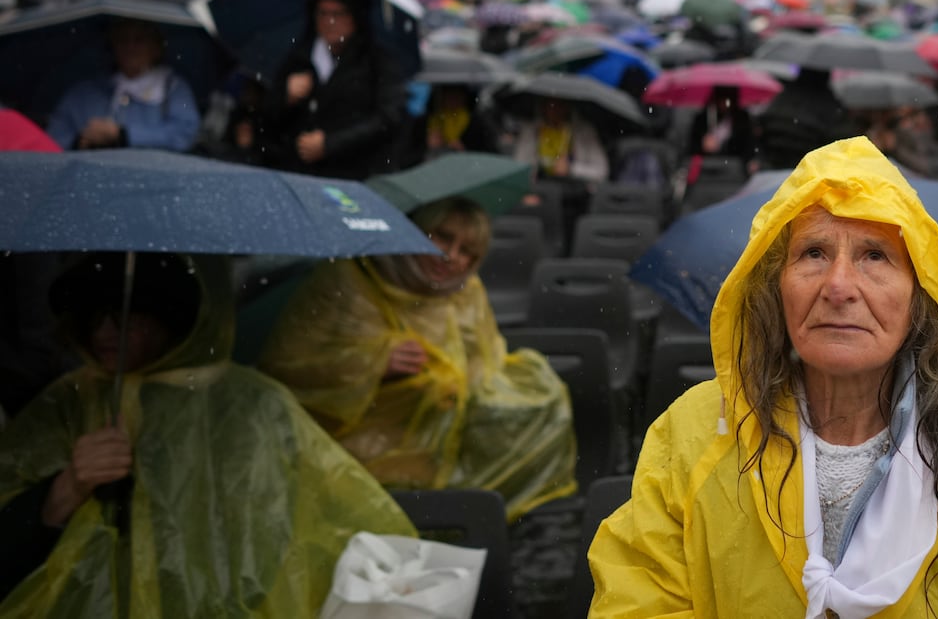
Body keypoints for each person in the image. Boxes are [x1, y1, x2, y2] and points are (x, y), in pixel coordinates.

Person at [588, 137, 938, 617]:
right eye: (813, 254)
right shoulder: (695, 431)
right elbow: (640, 599)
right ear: (775, 289)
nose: (839, 286)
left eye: (875, 255)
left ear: (920, 295)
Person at [0, 252, 414, 615]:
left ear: (176, 317)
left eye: (130, 315)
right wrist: (68, 488)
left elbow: (304, 528)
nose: (108, 331)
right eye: (95, 316)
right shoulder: (69, 401)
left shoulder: (251, 403)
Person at [258, 196, 578, 521]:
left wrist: (460, 386)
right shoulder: (347, 280)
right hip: (356, 436)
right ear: (414, 229)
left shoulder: (464, 289)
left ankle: (474, 521)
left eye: (467, 251)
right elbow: (285, 368)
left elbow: (484, 356)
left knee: (543, 397)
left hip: (440, 429)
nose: (450, 256)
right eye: (441, 236)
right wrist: (373, 363)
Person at [260, 0, 409, 180]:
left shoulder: (377, 62)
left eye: (338, 14)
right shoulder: (299, 59)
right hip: (303, 175)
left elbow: (388, 118)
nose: (329, 21)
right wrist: (285, 97)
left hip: (358, 174)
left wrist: (330, 144)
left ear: (355, 17)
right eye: (323, 13)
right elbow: (268, 120)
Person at [45, 18, 200, 153]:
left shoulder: (173, 88)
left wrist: (122, 135)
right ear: (112, 46)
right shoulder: (83, 92)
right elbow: (54, 138)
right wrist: (80, 141)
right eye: (122, 39)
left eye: (139, 39)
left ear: (156, 48)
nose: (130, 47)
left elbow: (185, 134)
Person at [756, 66, 855, 169]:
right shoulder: (828, 104)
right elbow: (842, 141)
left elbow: (764, 130)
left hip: (772, 168)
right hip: (811, 171)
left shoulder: (784, 98)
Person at [688, 84, 757, 171]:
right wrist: (702, 145)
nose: (725, 103)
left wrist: (750, 161)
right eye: (722, 98)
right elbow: (691, 148)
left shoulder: (742, 119)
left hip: (735, 168)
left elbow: (748, 145)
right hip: (707, 168)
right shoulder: (703, 118)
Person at [422, 84, 498, 155]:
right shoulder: (434, 119)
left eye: (457, 96)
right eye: (450, 96)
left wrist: (464, 147)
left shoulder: (475, 121)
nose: (453, 100)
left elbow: (484, 145)